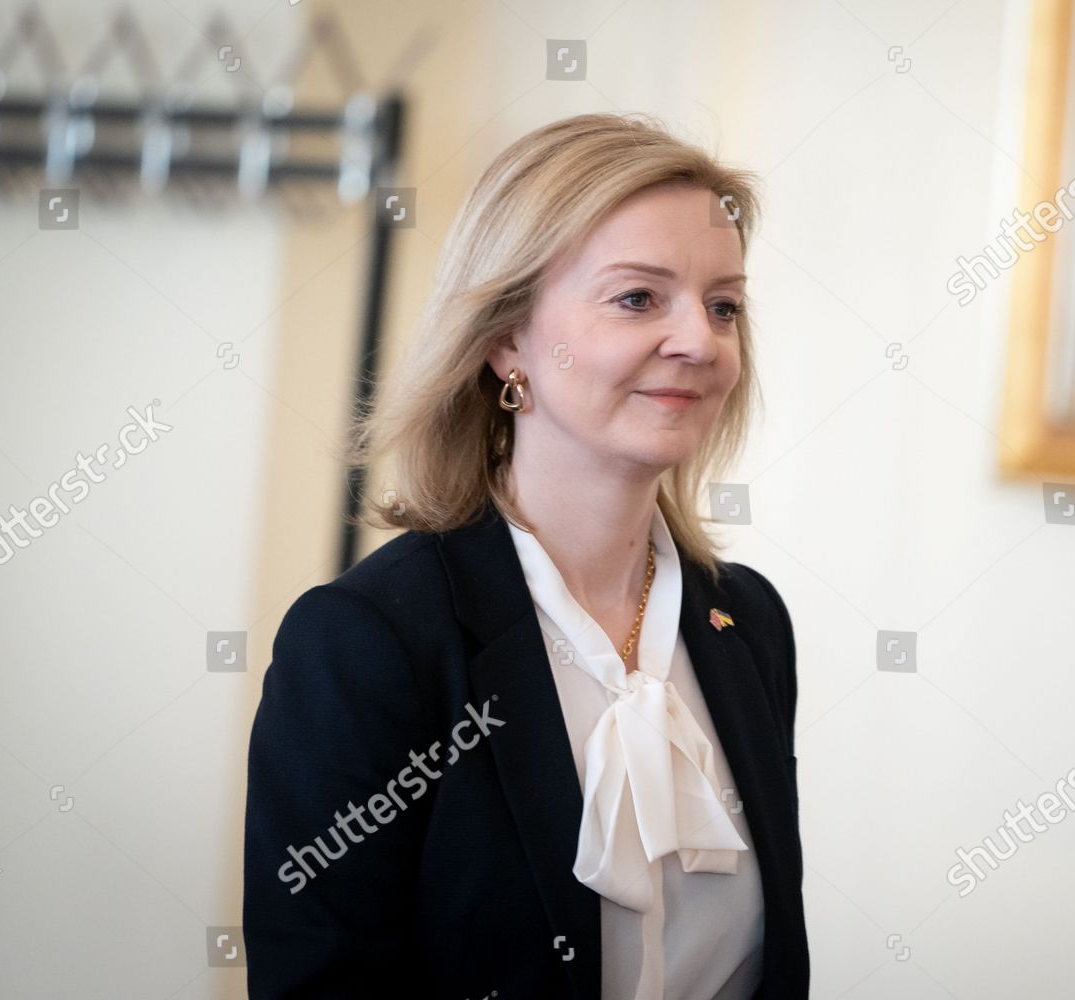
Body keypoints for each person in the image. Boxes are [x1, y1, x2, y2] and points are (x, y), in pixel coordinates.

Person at [242, 112, 808, 999]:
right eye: (638, 298)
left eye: (724, 305)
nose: (700, 340)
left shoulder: (750, 623)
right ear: (508, 342)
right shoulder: (366, 644)